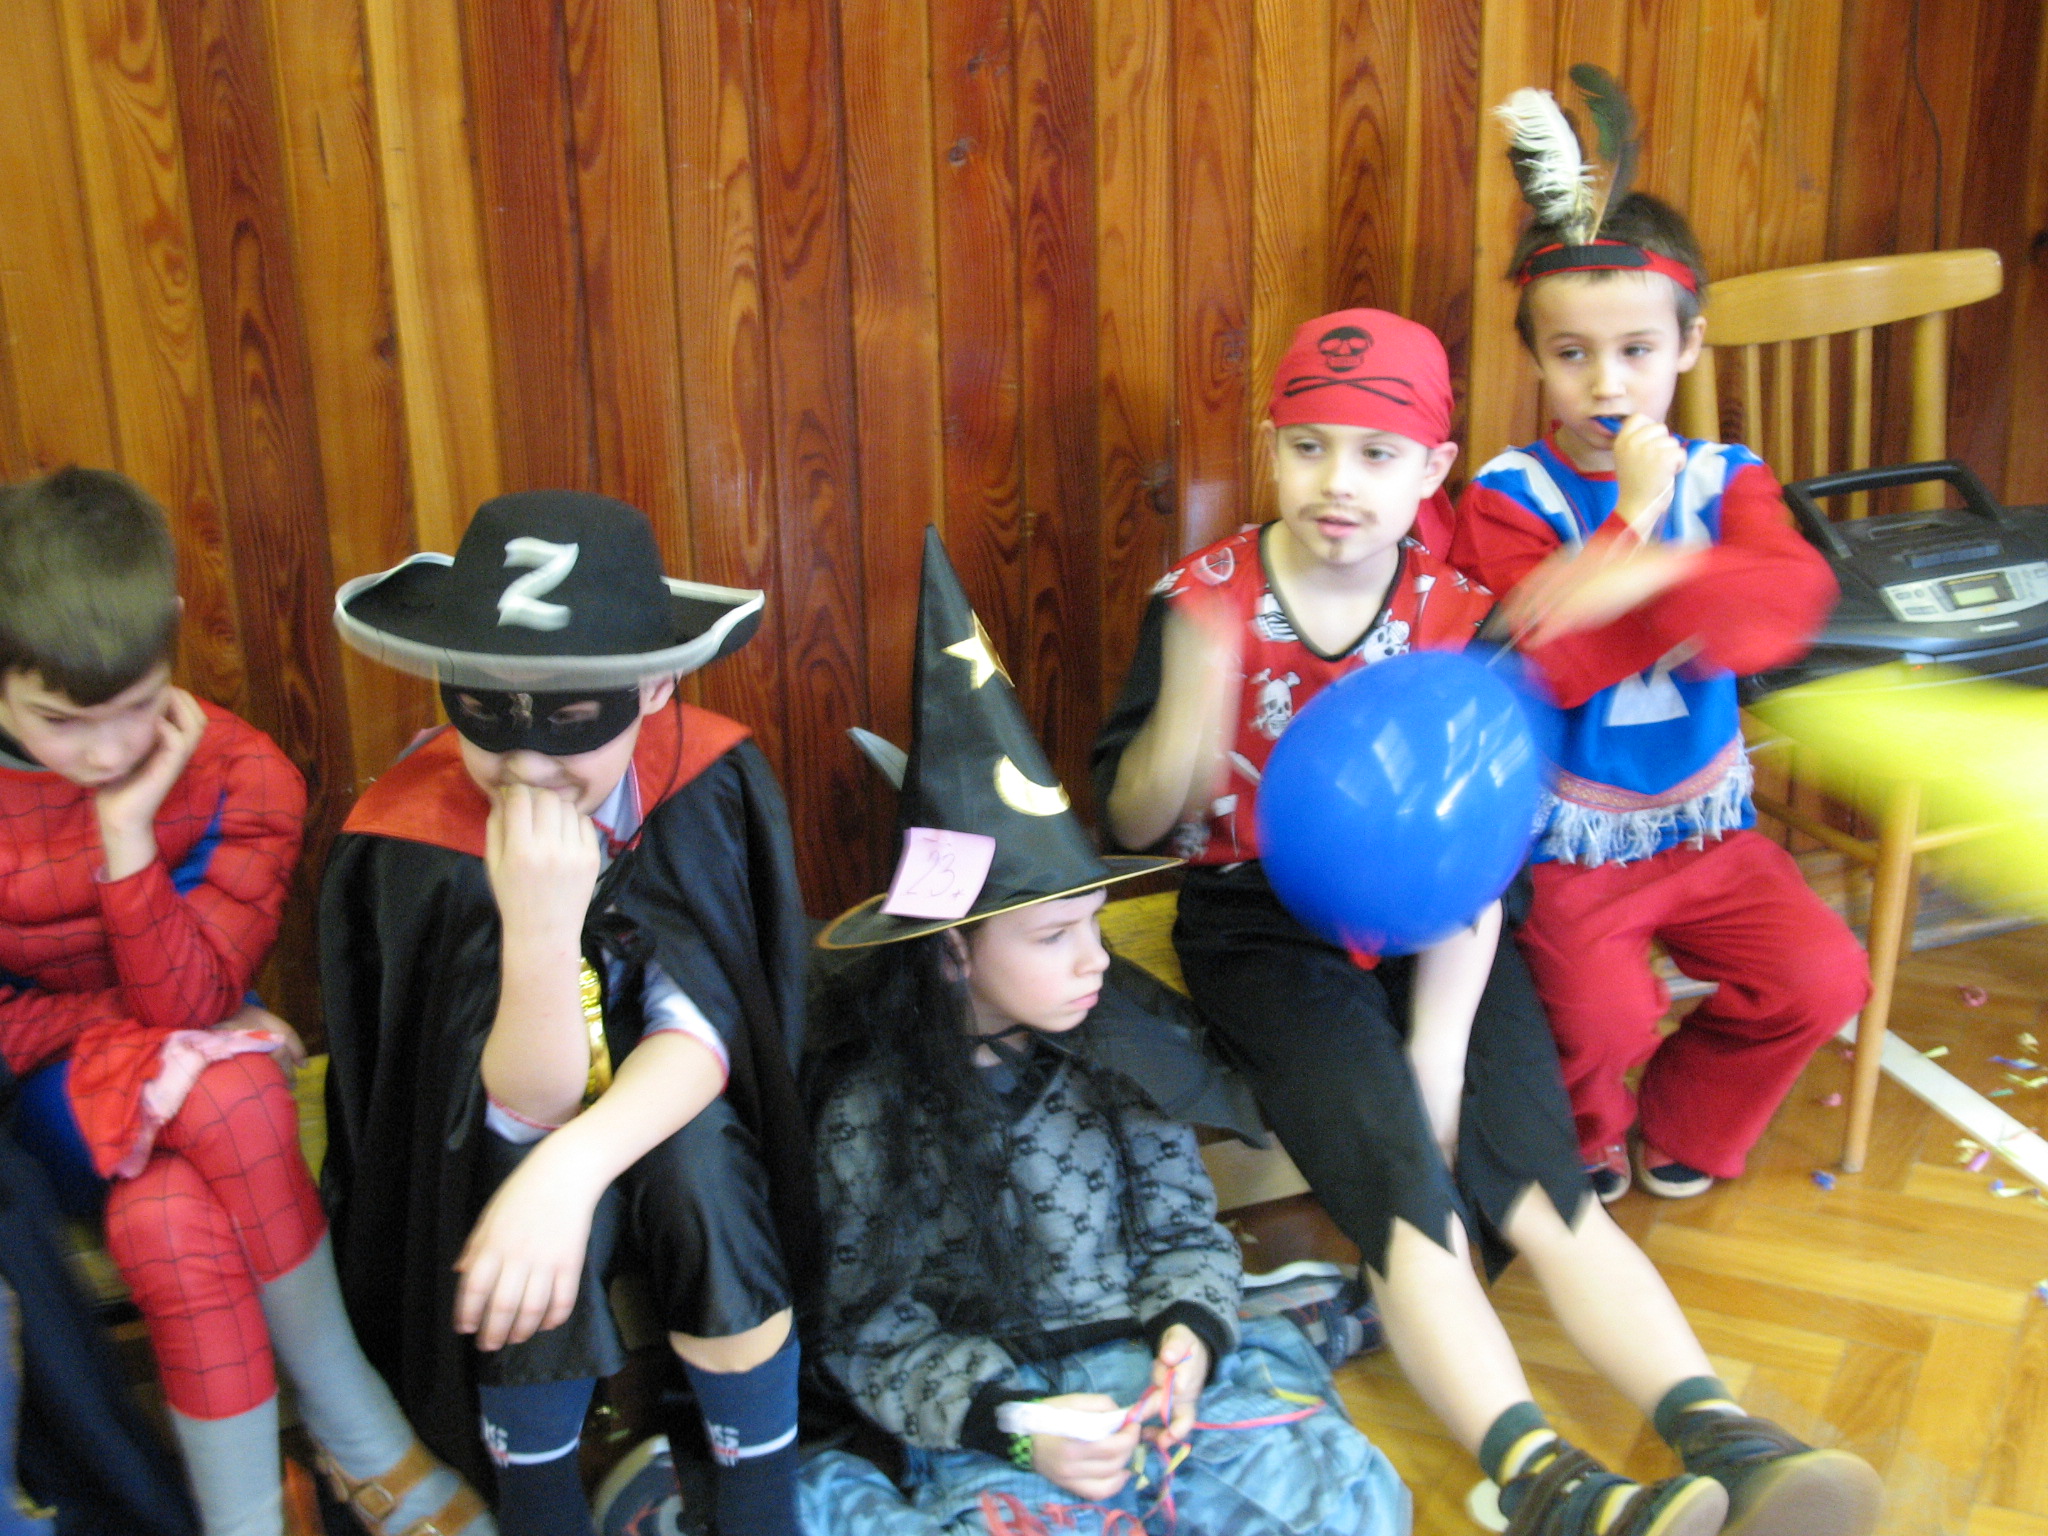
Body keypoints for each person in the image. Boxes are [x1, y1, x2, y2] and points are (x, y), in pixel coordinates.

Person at [1094, 309, 1883, 1536]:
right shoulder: (1200, 601)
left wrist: (1440, 1051)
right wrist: (1183, 726)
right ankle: (1539, 1478)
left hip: (1449, 929)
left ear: (1431, 470)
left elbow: (1477, 854)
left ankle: (1726, 1435)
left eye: (1374, 454)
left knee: (1539, 1185)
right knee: (1401, 1187)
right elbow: (1133, 822)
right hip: (1260, 923)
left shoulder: (1463, 614)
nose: (1337, 482)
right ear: (1268, 448)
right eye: (1307, 447)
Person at [799, 528, 1407, 1535]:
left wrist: (1189, 1339)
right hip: (999, 1414)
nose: (1094, 960)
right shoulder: (874, 1115)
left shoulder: (1118, 1054)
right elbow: (872, 1336)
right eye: (1053, 936)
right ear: (951, 952)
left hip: (1150, 1376)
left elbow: (1183, 1232)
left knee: (1345, 1505)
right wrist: (1017, 1428)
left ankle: (1283, 1322)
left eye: (1093, 924)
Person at [0, 467, 489, 1536]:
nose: (107, 753)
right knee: (229, 1083)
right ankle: (362, 1431)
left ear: (172, 633)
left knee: (174, 1224)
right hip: (45, 1108)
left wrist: (126, 839)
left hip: (203, 1094)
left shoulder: (241, 773)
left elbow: (194, 995)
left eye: (134, 709)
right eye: (60, 722)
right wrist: (161, 1043)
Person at [320, 490, 813, 1536]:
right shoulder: (415, 843)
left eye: (573, 721)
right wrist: (540, 931)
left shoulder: (703, 782)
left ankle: (760, 1508)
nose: (527, 765)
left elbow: (706, 1030)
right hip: (498, 1118)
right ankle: (538, 1509)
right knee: (513, 1199)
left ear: (654, 686)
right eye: (486, 712)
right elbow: (512, 1109)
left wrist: (573, 1166)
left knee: (705, 1173)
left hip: (668, 1102)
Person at [1451, 89, 1869, 1205]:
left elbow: (1780, 608)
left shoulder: (1730, 476)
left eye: (1636, 349)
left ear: (1687, 345)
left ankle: (1689, 1117)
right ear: (1535, 360)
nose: (1606, 383)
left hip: (1706, 827)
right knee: (1600, 1017)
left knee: (1821, 976)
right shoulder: (1508, 495)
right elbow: (1547, 659)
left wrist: (1635, 582)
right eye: (1572, 354)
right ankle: (1584, 1134)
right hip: (1568, 848)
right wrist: (1638, 530)